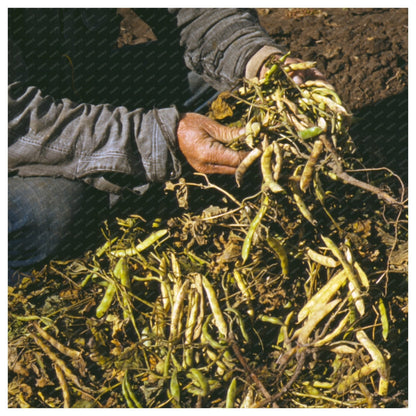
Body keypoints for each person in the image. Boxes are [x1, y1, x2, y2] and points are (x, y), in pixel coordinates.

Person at [8, 8, 325, 285]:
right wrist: (163, 136)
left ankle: (116, 179)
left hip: (77, 91)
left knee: (228, 81)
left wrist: (256, 60)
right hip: (18, 131)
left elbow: (193, 11)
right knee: (53, 210)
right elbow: (16, 121)